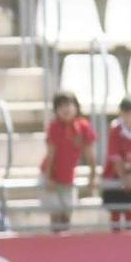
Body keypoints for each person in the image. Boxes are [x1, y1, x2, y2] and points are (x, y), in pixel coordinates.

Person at [39, 91, 96, 231]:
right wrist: (49, 178)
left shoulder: (83, 127)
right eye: (61, 106)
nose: (66, 109)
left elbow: (90, 155)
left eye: (69, 105)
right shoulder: (54, 127)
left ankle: (64, 245)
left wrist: (93, 176)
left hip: (68, 177)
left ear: (76, 107)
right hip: (51, 175)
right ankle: (55, 244)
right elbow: (51, 154)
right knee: (56, 213)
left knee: (67, 214)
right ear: (56, 110)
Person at [101, 96, 131, 229]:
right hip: (115, 176)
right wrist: (124, 177)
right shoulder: (115, 130)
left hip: (130, 176)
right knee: (116, 212)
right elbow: (115, 158)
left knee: (130, 211)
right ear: (123, 113)